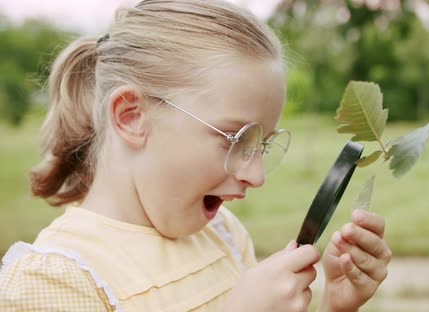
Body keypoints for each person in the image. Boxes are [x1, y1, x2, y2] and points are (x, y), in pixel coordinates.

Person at [0, 0, 392, 311]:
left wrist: (337, 308)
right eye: (237, 139)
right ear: (131, 117)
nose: (257, 176)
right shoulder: (53, 280)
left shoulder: (222, 235)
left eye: (263, 145)